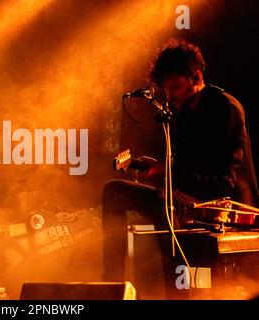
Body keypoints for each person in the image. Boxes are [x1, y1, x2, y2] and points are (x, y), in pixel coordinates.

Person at [102, 39, 258, 284]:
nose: (169, 96)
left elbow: (222, 183)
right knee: (114, 191)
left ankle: (172, 290)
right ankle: (111, 284)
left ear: (196, 77)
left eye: (175, 87)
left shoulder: (226, 108)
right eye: (166, 89)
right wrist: (159, 169)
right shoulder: (181, 114)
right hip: (186, 197)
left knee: (162, 203)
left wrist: (166, 172)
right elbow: (182, 168)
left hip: (223, 206)